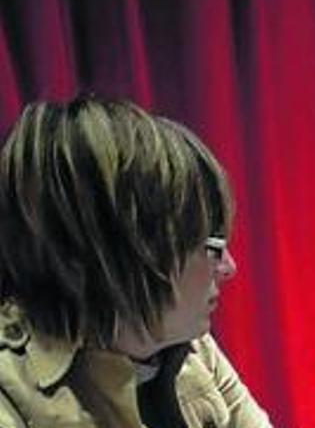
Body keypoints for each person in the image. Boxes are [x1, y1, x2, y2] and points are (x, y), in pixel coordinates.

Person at [0, 98, 272, 427]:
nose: (229, 267)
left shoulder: (186, 343)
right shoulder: (10, 394)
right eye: (209, 246)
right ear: (113, 256)